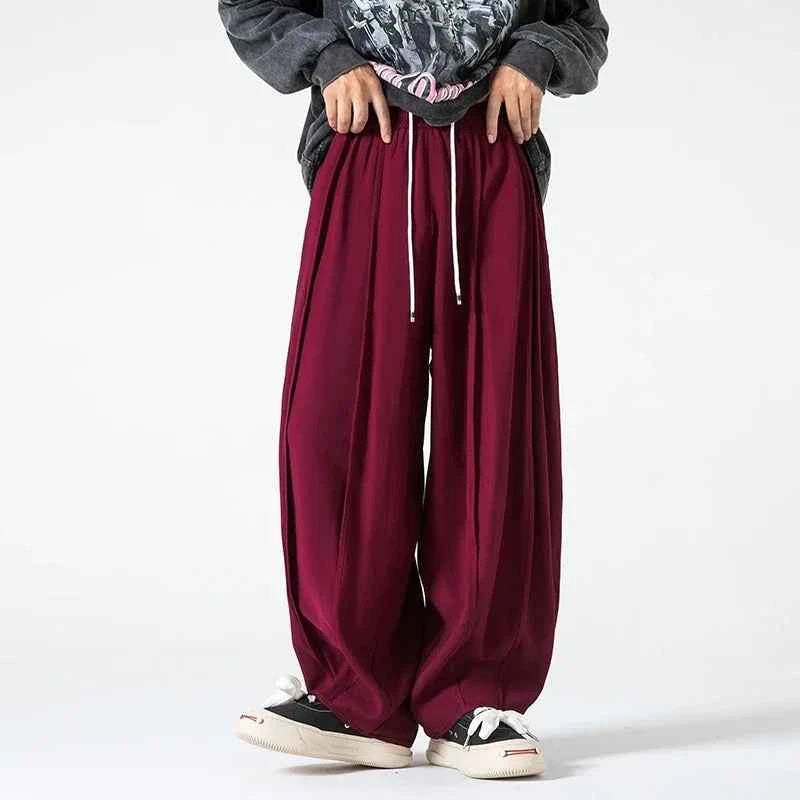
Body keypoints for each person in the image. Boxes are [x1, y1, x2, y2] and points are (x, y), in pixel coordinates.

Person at [219, 0, 608, 780]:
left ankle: (477, 695)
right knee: (336, 424)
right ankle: (354, 695)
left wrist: (535, 54)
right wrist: (326, 57)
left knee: (495, 430)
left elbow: (581, 24)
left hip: (492, 153)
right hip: (366, 148)